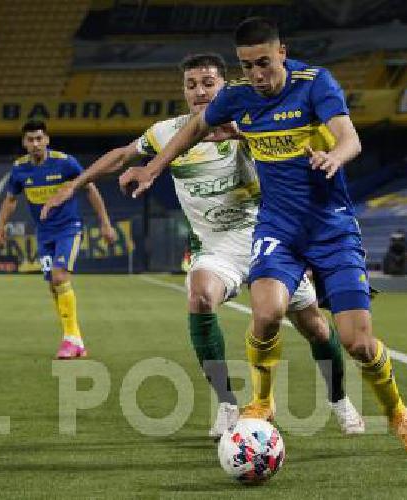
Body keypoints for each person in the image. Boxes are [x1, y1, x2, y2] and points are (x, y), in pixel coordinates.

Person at [117, 18, 407, 456]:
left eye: (264, 63)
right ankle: (261, 402)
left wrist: (334, 158)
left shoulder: (314, 84)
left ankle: (399, 413)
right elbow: (194, 128)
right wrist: (153, 167)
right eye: (247, 66)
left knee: (357, 342)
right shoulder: (238, 96)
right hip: (276, 227)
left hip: (331, 227)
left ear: (282, 52)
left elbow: (350, 137)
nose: (257, 75)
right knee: (265, 313)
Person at [40, 53, 364, 438]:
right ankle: (227, 406)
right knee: (199, 295)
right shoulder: (169, 133)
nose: (199, 91)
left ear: (225, 86)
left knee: (314, 328)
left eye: (208, 83)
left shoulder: (252, 119)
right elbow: (122, 155)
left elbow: (303, 143)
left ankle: (340, 401)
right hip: (217, 249)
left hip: (270, 237)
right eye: (191, 85)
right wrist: (72, 187)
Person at [0, 120, 118, 360]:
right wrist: (0, 228)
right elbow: (10, 200)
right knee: (53, 284)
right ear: (24, 143)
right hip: (44, 233)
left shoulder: (65, 162)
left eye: (40, 138)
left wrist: (105, 222)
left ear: (47, 140)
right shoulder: (19, 169)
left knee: (60, 276)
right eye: (30, 140)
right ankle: (75, 339)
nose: (35, 144)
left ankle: (69, 340)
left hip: (68, 229)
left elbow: (89, 188)